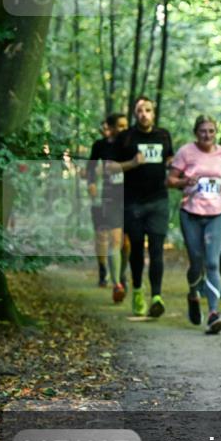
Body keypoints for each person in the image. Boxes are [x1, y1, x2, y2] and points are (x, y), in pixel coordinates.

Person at [167, 115, 221, 334]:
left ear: (216, 132)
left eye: (211, 131)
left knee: (213, 263)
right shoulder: (185, 152)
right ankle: (193, 294)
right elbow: (170, 180)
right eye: (203, 131)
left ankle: (214, 313)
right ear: (196, 133)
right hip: (191, 214)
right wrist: (184, 181)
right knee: (196, 262)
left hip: (217, 214)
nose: (207, 135)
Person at [113, 96, 173, 317]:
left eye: (148, 110)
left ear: (153, 113)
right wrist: (132, 163)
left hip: (158, 200)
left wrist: (174, 166)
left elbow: (170, 160)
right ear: (134, 114)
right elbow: (110, 168)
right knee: (136, 249)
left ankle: (156, 296)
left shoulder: (163, 135)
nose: (144, 114)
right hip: (133, 202)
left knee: (156, 249)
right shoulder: (126, 138)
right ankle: (138, 290)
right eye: (140, 111)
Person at [86, 112, 128, 301]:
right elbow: (90, 167)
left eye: (126, 126)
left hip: (129, 197)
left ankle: (120, 273)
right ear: (110, 128)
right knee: (106, 238)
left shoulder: (131, 144)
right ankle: (107, 273)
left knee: (125, 242)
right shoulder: (100, 146)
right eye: (120, 126)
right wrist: (91, 183)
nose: (124, 130)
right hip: (107, 196)